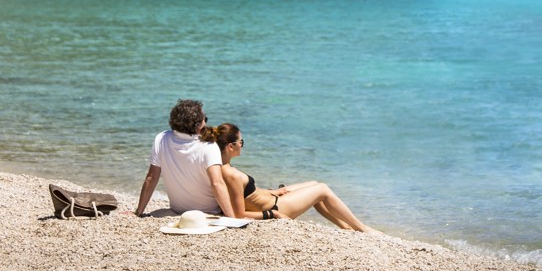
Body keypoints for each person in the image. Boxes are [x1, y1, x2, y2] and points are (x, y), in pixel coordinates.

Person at [204, 121, 376, 232]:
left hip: (272, 199)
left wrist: (272, 191)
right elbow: (239, 214)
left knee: (314, 183)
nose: (242, 145)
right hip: (278, 208)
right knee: (322, 189)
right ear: (230, 147)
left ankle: (345, 227)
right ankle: (362, 228)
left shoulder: (221, 169)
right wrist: (271, 215)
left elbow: (247, 193)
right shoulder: (231, 174)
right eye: (241, 142)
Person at [134, 99, 236, 218]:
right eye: (205, 119)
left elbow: (151, 178)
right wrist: (232, 219)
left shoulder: (162, 138)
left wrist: (139, 212)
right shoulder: (208, 146)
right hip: (209, 211)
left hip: (177, 210)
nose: (206, 123)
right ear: (198, 125)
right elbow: (217, 183)